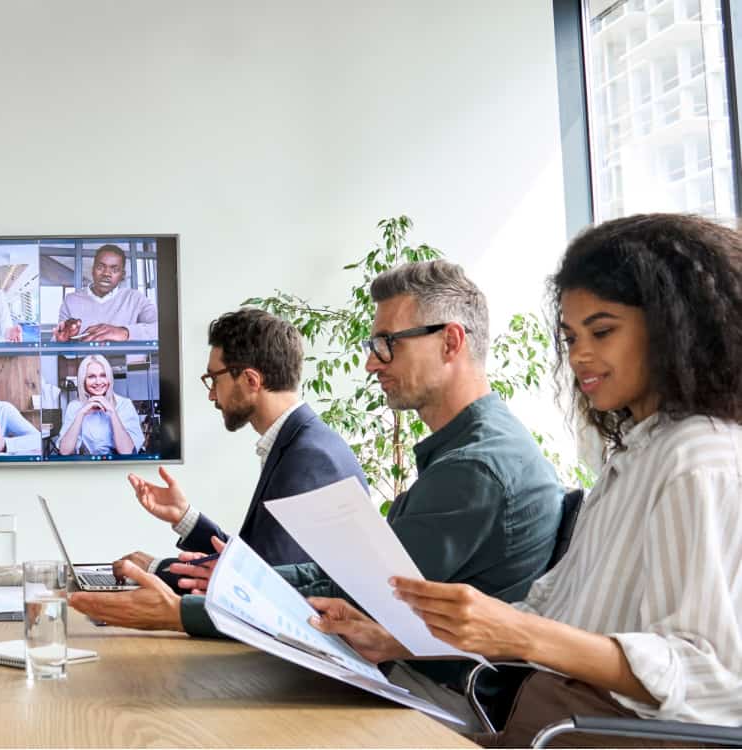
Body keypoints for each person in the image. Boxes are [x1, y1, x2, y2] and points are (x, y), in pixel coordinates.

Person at [312, 214, 742, 747]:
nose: (580, 355)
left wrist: (517, 632)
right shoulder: (634, 452)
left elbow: (712, 677)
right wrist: (396, 640)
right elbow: (545, 613)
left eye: (602, 331)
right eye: (570, 336)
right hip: (544, 724)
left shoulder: (698, 458)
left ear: (674, 328)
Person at [70, 260, 562, 695]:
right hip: (408, 677)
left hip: (431, 696)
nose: (371, 363)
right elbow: (347, 578)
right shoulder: (466, 452)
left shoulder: (474, 467)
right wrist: (217, 580)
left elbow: (360, 597)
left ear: (451, 342)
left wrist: (185, 608)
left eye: (385, 345)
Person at [111, 308, 366, 594]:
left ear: (250, 380)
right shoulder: (301, 442)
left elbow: (262, 586)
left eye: (214, 379)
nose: (211, 394)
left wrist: (155, 570)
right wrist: (184, 517)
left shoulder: (308, 458)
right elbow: (257, 561)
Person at [52, 244, 159, 342]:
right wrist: (63, 340)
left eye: (115, 269)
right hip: (82, 363)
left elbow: (161, 328)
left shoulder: (135, 298)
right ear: (92, 270)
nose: (106, 273)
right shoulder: (71, 301)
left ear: (122, 275)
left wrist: (124, 332)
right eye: (100, 267)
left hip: (125, 363)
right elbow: (57, 339)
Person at [56, 354, 145, 456]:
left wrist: (112, 412)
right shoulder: (74, 406)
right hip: (87, 467)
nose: (98, 382)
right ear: (83, 380)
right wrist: (81, 414)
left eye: (103, 375)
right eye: (91, 376)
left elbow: (127, 452)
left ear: (109, 378)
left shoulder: (124, 404)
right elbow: (64, 451)